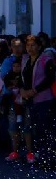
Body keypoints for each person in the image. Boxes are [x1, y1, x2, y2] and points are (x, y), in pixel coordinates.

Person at [20, 35, 55, 167]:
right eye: (28, 45)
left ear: (39, 46)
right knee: (35, 129)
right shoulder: (25, 60)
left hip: (44, 99)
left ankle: (48, 158)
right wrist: (23, 90)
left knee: (45, 129)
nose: (30, 48)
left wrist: (34, 91)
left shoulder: (46, 60)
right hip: (30, 100)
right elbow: (22, 78)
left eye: (33, 45)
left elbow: (50, 79)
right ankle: (40, 156)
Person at [4, 57, 33, 162]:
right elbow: (7, 86)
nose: (16, 68)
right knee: (13, 128)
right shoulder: (8, 75)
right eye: (14, 66)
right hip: (13, 104)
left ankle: (30, 153)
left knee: (27, 128)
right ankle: (14, 151)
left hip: (26, 102)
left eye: (18, 66)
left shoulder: (26, 75)